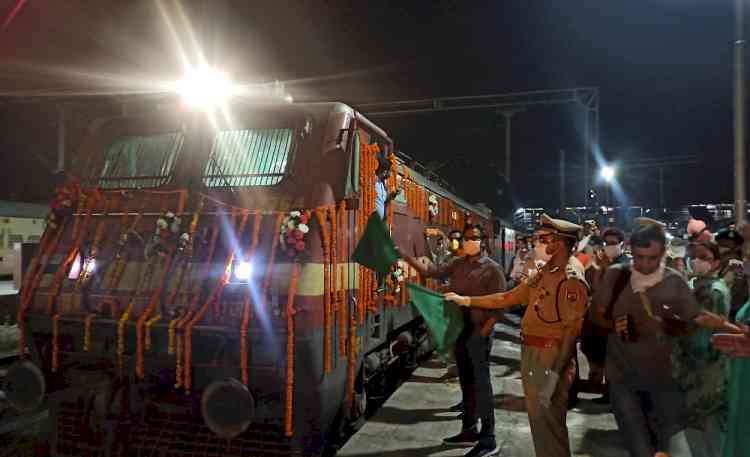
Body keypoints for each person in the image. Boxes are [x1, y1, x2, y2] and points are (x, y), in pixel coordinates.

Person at [591, 222, 744, 457]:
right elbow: (595, 314)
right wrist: (614, 324)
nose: (645, 264)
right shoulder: (616, 276)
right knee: (639, 447)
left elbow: (698, 318)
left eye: (652, 258)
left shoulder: (675, 282)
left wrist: (732, 329)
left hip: (665, 380)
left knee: (669, 446)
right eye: (639, 257)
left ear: (662, 253)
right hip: (623, 379)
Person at [445, 214, 589, 457]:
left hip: (550, 358)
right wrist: (466, 300)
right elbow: (508, 298)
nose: (537, 244)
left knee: (550, 428)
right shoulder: (547, 272)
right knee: (540, 426)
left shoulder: (570, 278)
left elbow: (571, 332)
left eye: (543, 239)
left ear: (560, 242)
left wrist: (555, 375)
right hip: (535, 354)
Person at [398, 224, 505, 457]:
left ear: (483, 241)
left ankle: (489, 438)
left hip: (479, 331)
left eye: (474, 238)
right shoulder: (458, 264)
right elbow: (431, 273)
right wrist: (405, 256)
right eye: (466, 238)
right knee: (466, 383)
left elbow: (499, 307)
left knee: (482, 386)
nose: (469, 242)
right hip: (460, 329)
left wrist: (483, 335)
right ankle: (469, 430)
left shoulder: (493, 270)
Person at [671, 241, 730, 457]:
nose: (696, 261)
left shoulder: (712, 292)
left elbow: (698, 334)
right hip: (698, 369)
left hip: (703, 371)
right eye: (694, 256)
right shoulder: (701, 286)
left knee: (705, 434)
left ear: (715, 263)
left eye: (704, 257)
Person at [375, 153, 400, 221]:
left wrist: (392, 195)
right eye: (390, 171)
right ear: (385, 172)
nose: (391, 174)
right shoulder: (373, 182)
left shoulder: (382, 184)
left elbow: (384, 202)